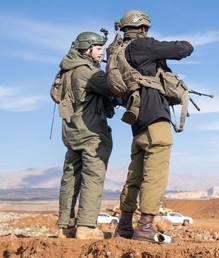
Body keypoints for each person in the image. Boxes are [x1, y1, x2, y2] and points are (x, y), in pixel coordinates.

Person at [113, 10, 193, 242]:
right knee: (155, 174)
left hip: (137, 124)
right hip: (155, 118)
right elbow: (183, 48)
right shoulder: (143, 47)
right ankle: (145, 227)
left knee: (135, 176)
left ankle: (124, 226)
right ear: (143, 28)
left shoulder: (118, 54)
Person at [56, 31, 114, 239]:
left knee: (70, 178)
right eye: (98, 49)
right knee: (93, 176)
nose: (101, 53)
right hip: (90, 132)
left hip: (72, 132)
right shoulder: (88, 72)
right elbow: (113, 87)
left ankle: (65, 226)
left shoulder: (67, 70)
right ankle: (86, 226)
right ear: (87, 49)